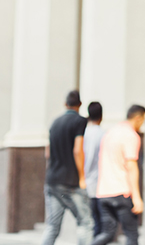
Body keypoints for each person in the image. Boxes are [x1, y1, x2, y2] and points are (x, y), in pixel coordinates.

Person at [41, 90, 94, 245]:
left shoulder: (54, 122)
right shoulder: (79, 121)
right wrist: (82, 177)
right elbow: (78, 150)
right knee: (86, 223)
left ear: (65, 104)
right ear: (80, 104)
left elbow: (47, 152)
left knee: (52, 226)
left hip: (52, 180)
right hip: (70, 182)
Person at [91, 105, 145, 245]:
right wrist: (137, 197)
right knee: (131, 234)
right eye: (143, 120)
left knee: (107, 233)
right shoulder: (130, 135)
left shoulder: (110, 132)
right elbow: (131, 166)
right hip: (122, 192)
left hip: (103, 192)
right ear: (138, 118)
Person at [83, 102, 104, 238]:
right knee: (97, 222)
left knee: (89, 221)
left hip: (83, 182)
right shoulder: (102, 134)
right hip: (98, 183)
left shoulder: (83, 133)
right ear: (101, 116)